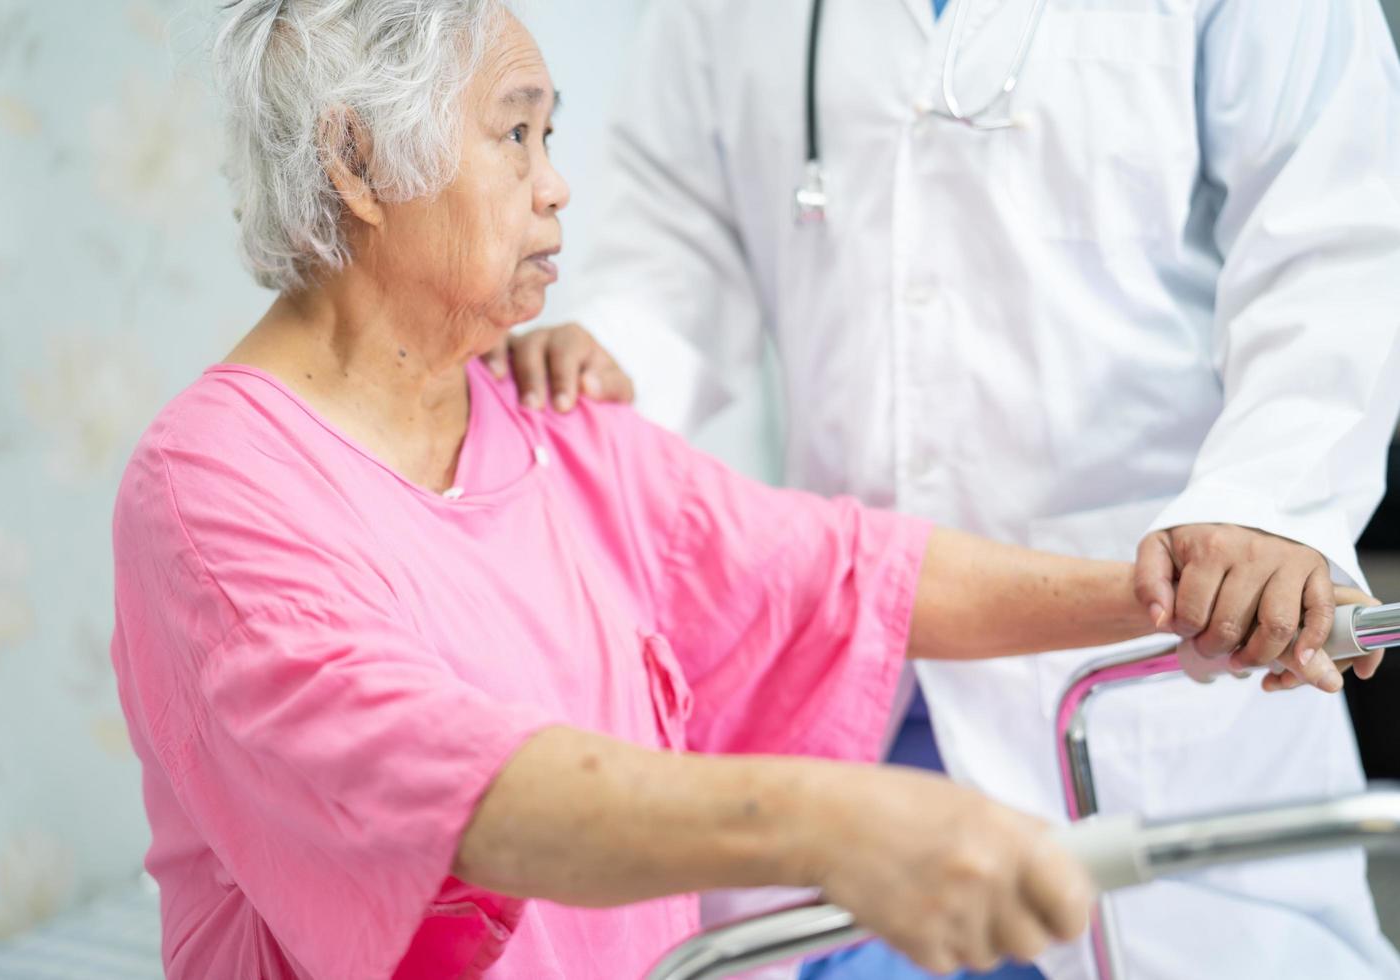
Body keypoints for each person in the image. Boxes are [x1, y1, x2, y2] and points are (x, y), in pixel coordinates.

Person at [99, 2, 1329, 976]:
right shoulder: (214, 492)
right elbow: (446, 784)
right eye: (517, 132)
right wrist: (835, 822)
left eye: (550, 134)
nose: (556, 183)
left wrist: (1175, 590)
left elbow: (851, 574)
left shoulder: (543, 432)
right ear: (360, 162)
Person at [499, 0, 1400, 977]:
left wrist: (1271, 494)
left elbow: (1334, 239)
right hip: (862, 683)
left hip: (1158, 658)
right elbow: (671, 233)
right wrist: (608, 363)